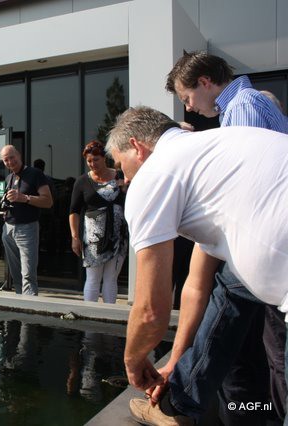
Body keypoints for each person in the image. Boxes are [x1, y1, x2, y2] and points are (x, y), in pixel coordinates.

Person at [105, 106, 288, 425]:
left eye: (122, 167)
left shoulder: (153, 175)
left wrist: (133, 359)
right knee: (232, 285)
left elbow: (151, 311)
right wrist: (176, 359)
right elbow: (197, 285)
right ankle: (181, 402)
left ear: (137, 146)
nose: (125, 179)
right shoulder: (218, 153)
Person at [161, 50, 288, 423]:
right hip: (268, 243)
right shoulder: (241, 108)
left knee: (256, 336)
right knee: (265, 346)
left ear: (204, 82)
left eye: (187, 97)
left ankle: (182, 399)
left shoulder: (243, 108)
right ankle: (188, 398)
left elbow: (247, 184)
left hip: (268, 243)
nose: (189, 107)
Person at [69, 141, 128, 304]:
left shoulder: (120, 176)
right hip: (93, 239)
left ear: (104, 158)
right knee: (93, 278)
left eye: (96, 159)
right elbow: (73, 211)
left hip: (118, 235)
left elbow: (131, 199)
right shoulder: (82, 181)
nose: (92, 164)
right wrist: (75, 237)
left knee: (111, 278)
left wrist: (124, 188)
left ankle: (109, 314)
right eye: (89, 161)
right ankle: (89, 314)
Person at [0, 145, 53, 296]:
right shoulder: (9, 178)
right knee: (16, 275)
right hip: (8, 228)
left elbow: (48, 201)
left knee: (28, 275)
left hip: (27, 228)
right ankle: (20, 305)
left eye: (12, 157)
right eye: (6, 160)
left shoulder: (35, 174)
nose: (10, 162)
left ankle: (30, 307)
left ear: (19, 155)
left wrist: (25, 198)